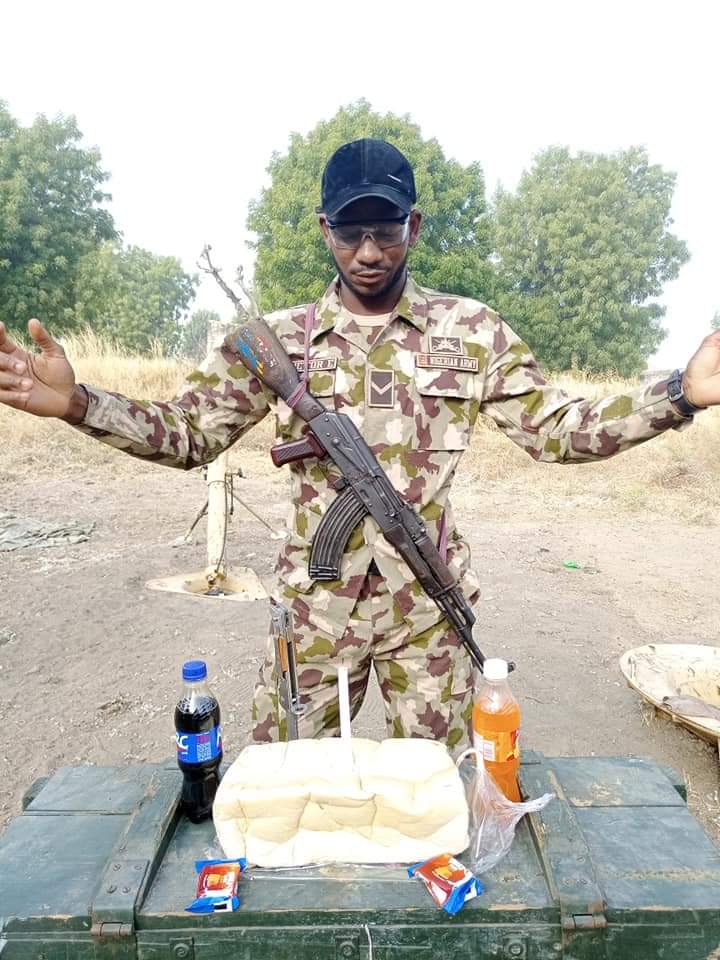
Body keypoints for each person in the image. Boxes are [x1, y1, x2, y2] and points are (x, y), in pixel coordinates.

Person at [1, 138, 719, 753]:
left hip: (427, 613)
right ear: (324, 229)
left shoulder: (472, 331)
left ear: (414, 225)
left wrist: (679, 395)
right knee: (283, 786)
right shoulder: (278, 342)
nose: (369, 253)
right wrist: (78, 403)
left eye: (386, 231)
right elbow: (189, 433)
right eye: (350, 233)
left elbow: (559, 430)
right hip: (314, 614)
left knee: (436, 793)